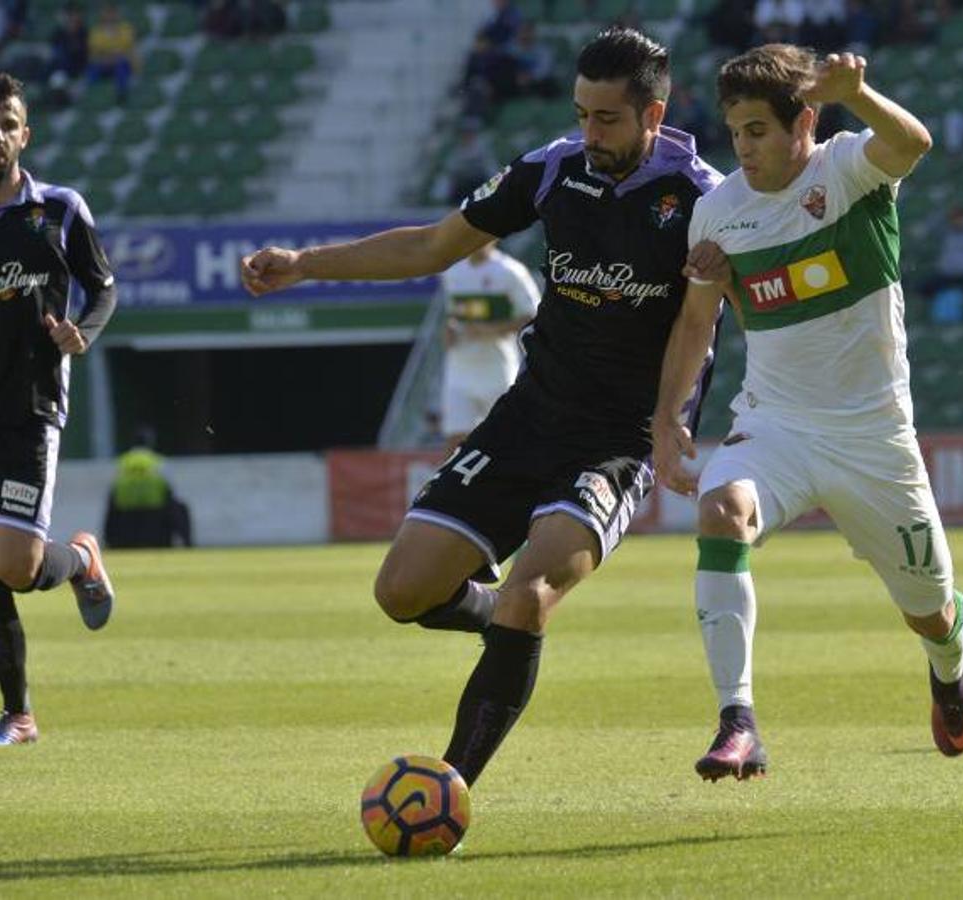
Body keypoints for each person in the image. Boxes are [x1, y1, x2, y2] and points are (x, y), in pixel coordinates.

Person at [240, 28, 724, 791]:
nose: (589, 134)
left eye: (607, 119)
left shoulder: (702, 199)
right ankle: (503, 622)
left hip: (616, 442)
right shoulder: (552, 170)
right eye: (581, 113)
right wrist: (306, 265)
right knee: (402, 592)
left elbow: (700, 328)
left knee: (531, 594)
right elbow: (430, 247)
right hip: (527, 415)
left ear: (653, 115)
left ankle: (450, 788)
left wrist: (669, 424)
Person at [652, 44, 963, 783]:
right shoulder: (717, 211)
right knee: (720, 510)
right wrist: (668, 419)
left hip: (874, 438)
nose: (744, 148)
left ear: (804, 121)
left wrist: (857, 94)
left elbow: (912, 144)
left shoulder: (846, 168)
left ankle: (947, 663)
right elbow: (697, 323)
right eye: (734, 132)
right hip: (777, 427)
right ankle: (737, 720)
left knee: (928, 610)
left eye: (758, 130)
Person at [0, 72, 118, 746]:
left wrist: (84, 333)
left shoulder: (60, 209)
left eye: (8, 122)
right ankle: (18, 715)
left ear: (25, 133)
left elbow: (103, 290)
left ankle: (79, 560)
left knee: (13, 564)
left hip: (31, 405)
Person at [437, 240, 540, 449]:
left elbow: (533, 315)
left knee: (505, 438)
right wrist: (448, 332)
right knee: (455, 441)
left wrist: (492, 329)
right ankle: (452, 483)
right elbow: (453, 315)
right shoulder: (453, 272)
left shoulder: (510, 271)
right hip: (459, 371)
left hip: (497, 369)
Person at [103, 443, 193, 549]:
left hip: (126, 527)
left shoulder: (123, 462)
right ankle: (188, 544)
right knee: (181, 508)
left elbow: (112, 503)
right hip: (155, 527)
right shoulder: (157, 461)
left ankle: (111, 543)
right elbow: (169, 496)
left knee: (112, 507)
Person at [86, 3, 137, 103]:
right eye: (107, 12)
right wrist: (110, 55)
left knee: (121, 66)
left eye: (112, 12)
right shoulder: (96, 31)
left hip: (122, 63)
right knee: (91, 70)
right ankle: (88, 97)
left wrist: (111, 54)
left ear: (117, 13)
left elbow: (127, 49)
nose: (110, 16)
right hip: (103, 63)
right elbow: (95, 52)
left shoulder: (126, 28)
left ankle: (121, 95)